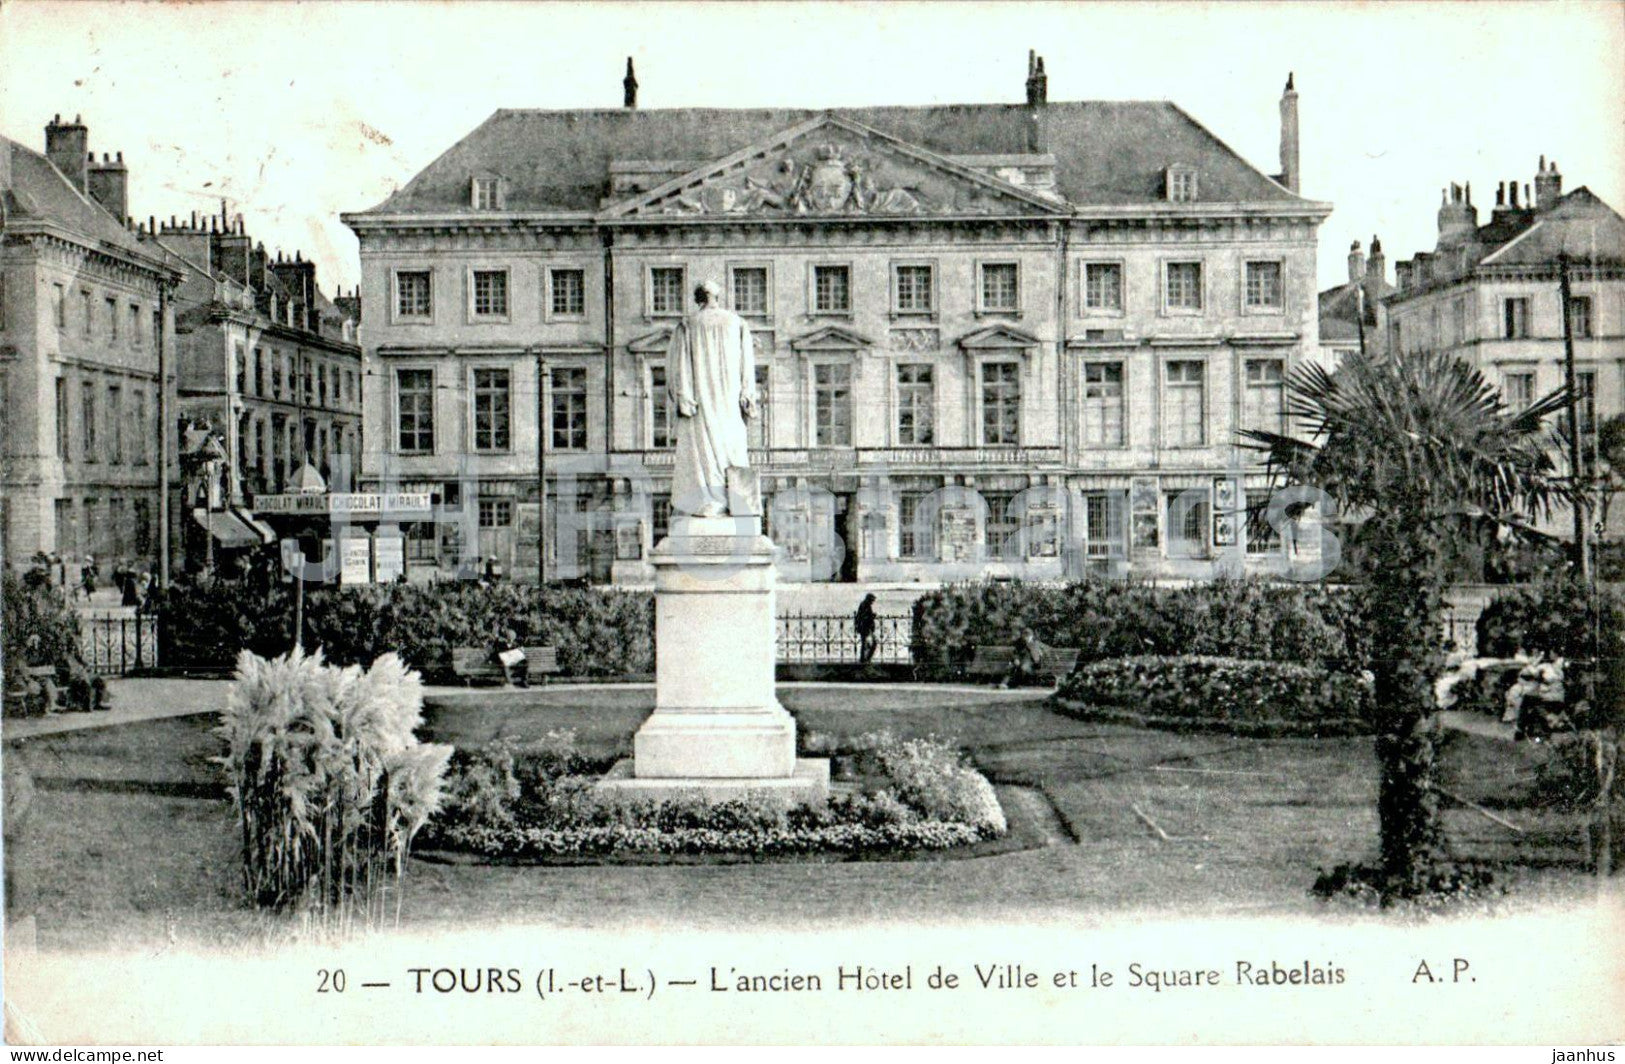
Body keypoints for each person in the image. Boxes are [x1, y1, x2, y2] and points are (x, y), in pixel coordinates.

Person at [668, 280, 757, 517]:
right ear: (718, 297)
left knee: (704, 449)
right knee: (731, 447)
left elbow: (677, 367)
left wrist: (682, 395)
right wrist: (747, 394)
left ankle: (709, 502)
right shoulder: (737, 323)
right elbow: (748, 364)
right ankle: (731, 502)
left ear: (698, 299)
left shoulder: (687, 324)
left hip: (700, 401)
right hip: (729, 401)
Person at [855, 593, 878, 664]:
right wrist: (872, 616)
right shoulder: (865, 605)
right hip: (865, 628)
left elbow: (861, 616)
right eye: (872, 600)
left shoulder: (864, 604)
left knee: (865, 643)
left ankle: (864, 658)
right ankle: (866, 659)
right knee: (871, 643)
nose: (873, 602)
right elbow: (865, 617)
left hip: (864, 627)